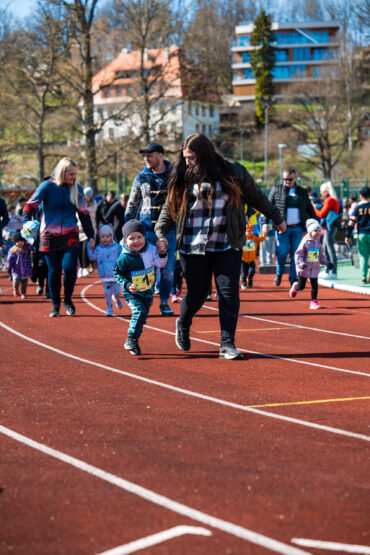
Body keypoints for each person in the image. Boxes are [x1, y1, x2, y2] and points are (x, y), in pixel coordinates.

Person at [154, 133, 286, 360]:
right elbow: (170, 206)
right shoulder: (183, 175)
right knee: (197, 294)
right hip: (193, 245)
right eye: (185, 157)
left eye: (192, 157)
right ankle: (183, 322)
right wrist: (160, 232)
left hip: (227, 242)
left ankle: (227, 344)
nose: (188, 162)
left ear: (204, 155)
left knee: (228, 292)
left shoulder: (234, 172)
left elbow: (256, 197)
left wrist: (276, 217)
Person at [22, 157, 95, 317]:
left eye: (75, 174)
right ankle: (55, 305)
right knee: (54, 271)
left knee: (70, 269)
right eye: (71, 174)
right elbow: (29, 206)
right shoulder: (47, 186)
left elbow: (84, 214)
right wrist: (27, 222)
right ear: (62, 172)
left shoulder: (78, 189)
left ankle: (67, 299)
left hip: (70, 235)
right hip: (48, 236)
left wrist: (91, 235)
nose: (74, 177)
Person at [124, 142, 176, 317]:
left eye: (150, 155)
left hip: (169, 230)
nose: (146, 159)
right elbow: (132, 204)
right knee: (146, 269)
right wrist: (126, 231)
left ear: (160, 156)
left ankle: (164, 302)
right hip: (144, 231)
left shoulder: (175, 175)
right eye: (144, 155)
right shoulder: (141, 177)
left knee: (168, 270)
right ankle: (144, 302)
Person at [114, 219, 168, 356]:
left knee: (142, 316)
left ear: (144, 237)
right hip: (131, 293)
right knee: (139, 312)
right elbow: (117, 272)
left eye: (139, 237)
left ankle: (134, 341)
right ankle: (130, 338)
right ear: (125, 241)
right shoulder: (124, 257)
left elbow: (160, 264)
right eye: (132, 238)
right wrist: (127, 284)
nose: (136, 241)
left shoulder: (150, 250)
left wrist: (162, 253)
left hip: (147, 292)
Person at [262, 167, 317, 286]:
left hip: (297, 228)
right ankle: (279, 272)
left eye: (290, 179)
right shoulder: (276, 189)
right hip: (282, 228)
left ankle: (293, 279)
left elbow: (309, 209)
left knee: (295, 254)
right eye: (285, 179)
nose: (287, 181)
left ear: (295, 178)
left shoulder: (302, 192)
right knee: (282, 253)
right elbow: (268, 207)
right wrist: (265, 223)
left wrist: (315, 224)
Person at [290, 219, 331, 309]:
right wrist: (301, 264)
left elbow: (321, 257)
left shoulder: (319, 245)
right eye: (315, 230)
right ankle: (296, 286)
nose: (318, 232)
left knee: (315, 286)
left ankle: (314, 301)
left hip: (314, 269)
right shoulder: (305, 242)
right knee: (302, 287)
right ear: (310, 232)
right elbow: (298, 254)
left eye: (319, 230)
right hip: (304, 268)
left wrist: (327, 263)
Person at [87, 224, 123, 316]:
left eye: (108, 236)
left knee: (117, 292)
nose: (105, 239)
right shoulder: (98, 248)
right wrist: (90, 248)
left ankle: (117, 299)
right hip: (104, 276)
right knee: (107, 293)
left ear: (112, 236)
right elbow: (92, 257)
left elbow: (122, 257)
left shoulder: (117, 247)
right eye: (103, 237)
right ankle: (109, 309)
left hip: (116, 275)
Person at [313, 181, 341, 280]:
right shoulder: (334, 199)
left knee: (330, 249)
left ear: (325, 191)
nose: (320, 193)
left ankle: (333, 272)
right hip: (330, 227)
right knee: (326, 249)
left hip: (329, 227)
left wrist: (314, 208)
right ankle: (327, 270)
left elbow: (321, 214)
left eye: (321, 191)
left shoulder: (329, 200)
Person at [345, 185, 370, 285]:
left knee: (363, 256)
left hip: (362, 235)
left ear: (360, 196)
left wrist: (347, 235)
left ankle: (363, 277)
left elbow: (351, 222)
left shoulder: (358, 208)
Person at [5, 231, 33, 299]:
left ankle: (23, 293)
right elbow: (9, 259)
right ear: (15, 242)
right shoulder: (13, 250)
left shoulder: (27, 248)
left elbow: (32, 246)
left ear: (24, 241)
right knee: (16, 282)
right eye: (18, 241)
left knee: (24, 283)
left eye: (21, 241)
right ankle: (16, 289)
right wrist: (8, 264)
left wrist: (28, 238)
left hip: (25, 270)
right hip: (16, 270)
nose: (20, 243)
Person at [78, 187, 97, 277]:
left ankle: (85, 267)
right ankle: (80, 268)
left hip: (88, 230)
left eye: (87, 195)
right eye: (84, 195)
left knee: (85, 249)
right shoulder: (79, 203)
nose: (85, 197)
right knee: (78, 250)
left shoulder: (94, 205)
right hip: (78, 230)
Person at [241, 222, 266, 289]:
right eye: (248, 231)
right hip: (243, 260)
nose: (250, 232)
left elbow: (261, 239)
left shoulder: (255, 238)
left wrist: (264, 234)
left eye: (251, 231)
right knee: (244, 273)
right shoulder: (242, 239)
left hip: (251, 260)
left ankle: (250, 278)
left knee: (252, 271)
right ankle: (243, 283)